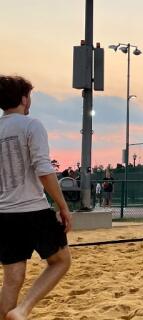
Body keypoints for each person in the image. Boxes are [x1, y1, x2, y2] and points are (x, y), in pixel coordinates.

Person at [0, 75, 72, 319]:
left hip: (5, 213)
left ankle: (12, 313)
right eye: (29, 96)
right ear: (23, 98)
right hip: (32, 209)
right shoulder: (32, 125)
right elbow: (44, 169)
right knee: (61, 260)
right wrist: (63, 206)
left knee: (12, 279)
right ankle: (23, 309)